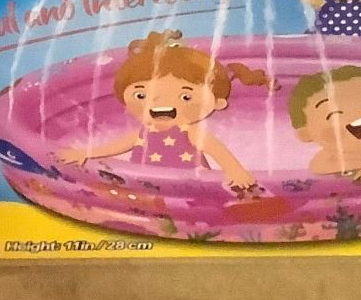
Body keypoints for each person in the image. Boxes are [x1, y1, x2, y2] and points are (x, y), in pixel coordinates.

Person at [54, 29, 267, 192]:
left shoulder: (190, 132)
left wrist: (235, 171)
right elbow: (116, 146)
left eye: (186, 97)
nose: (158, 103)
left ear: (218, 102)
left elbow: (217, 150)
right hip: (147, 187)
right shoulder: (144, 133)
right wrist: (85, 153)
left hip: (191, 189)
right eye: (141, 95)